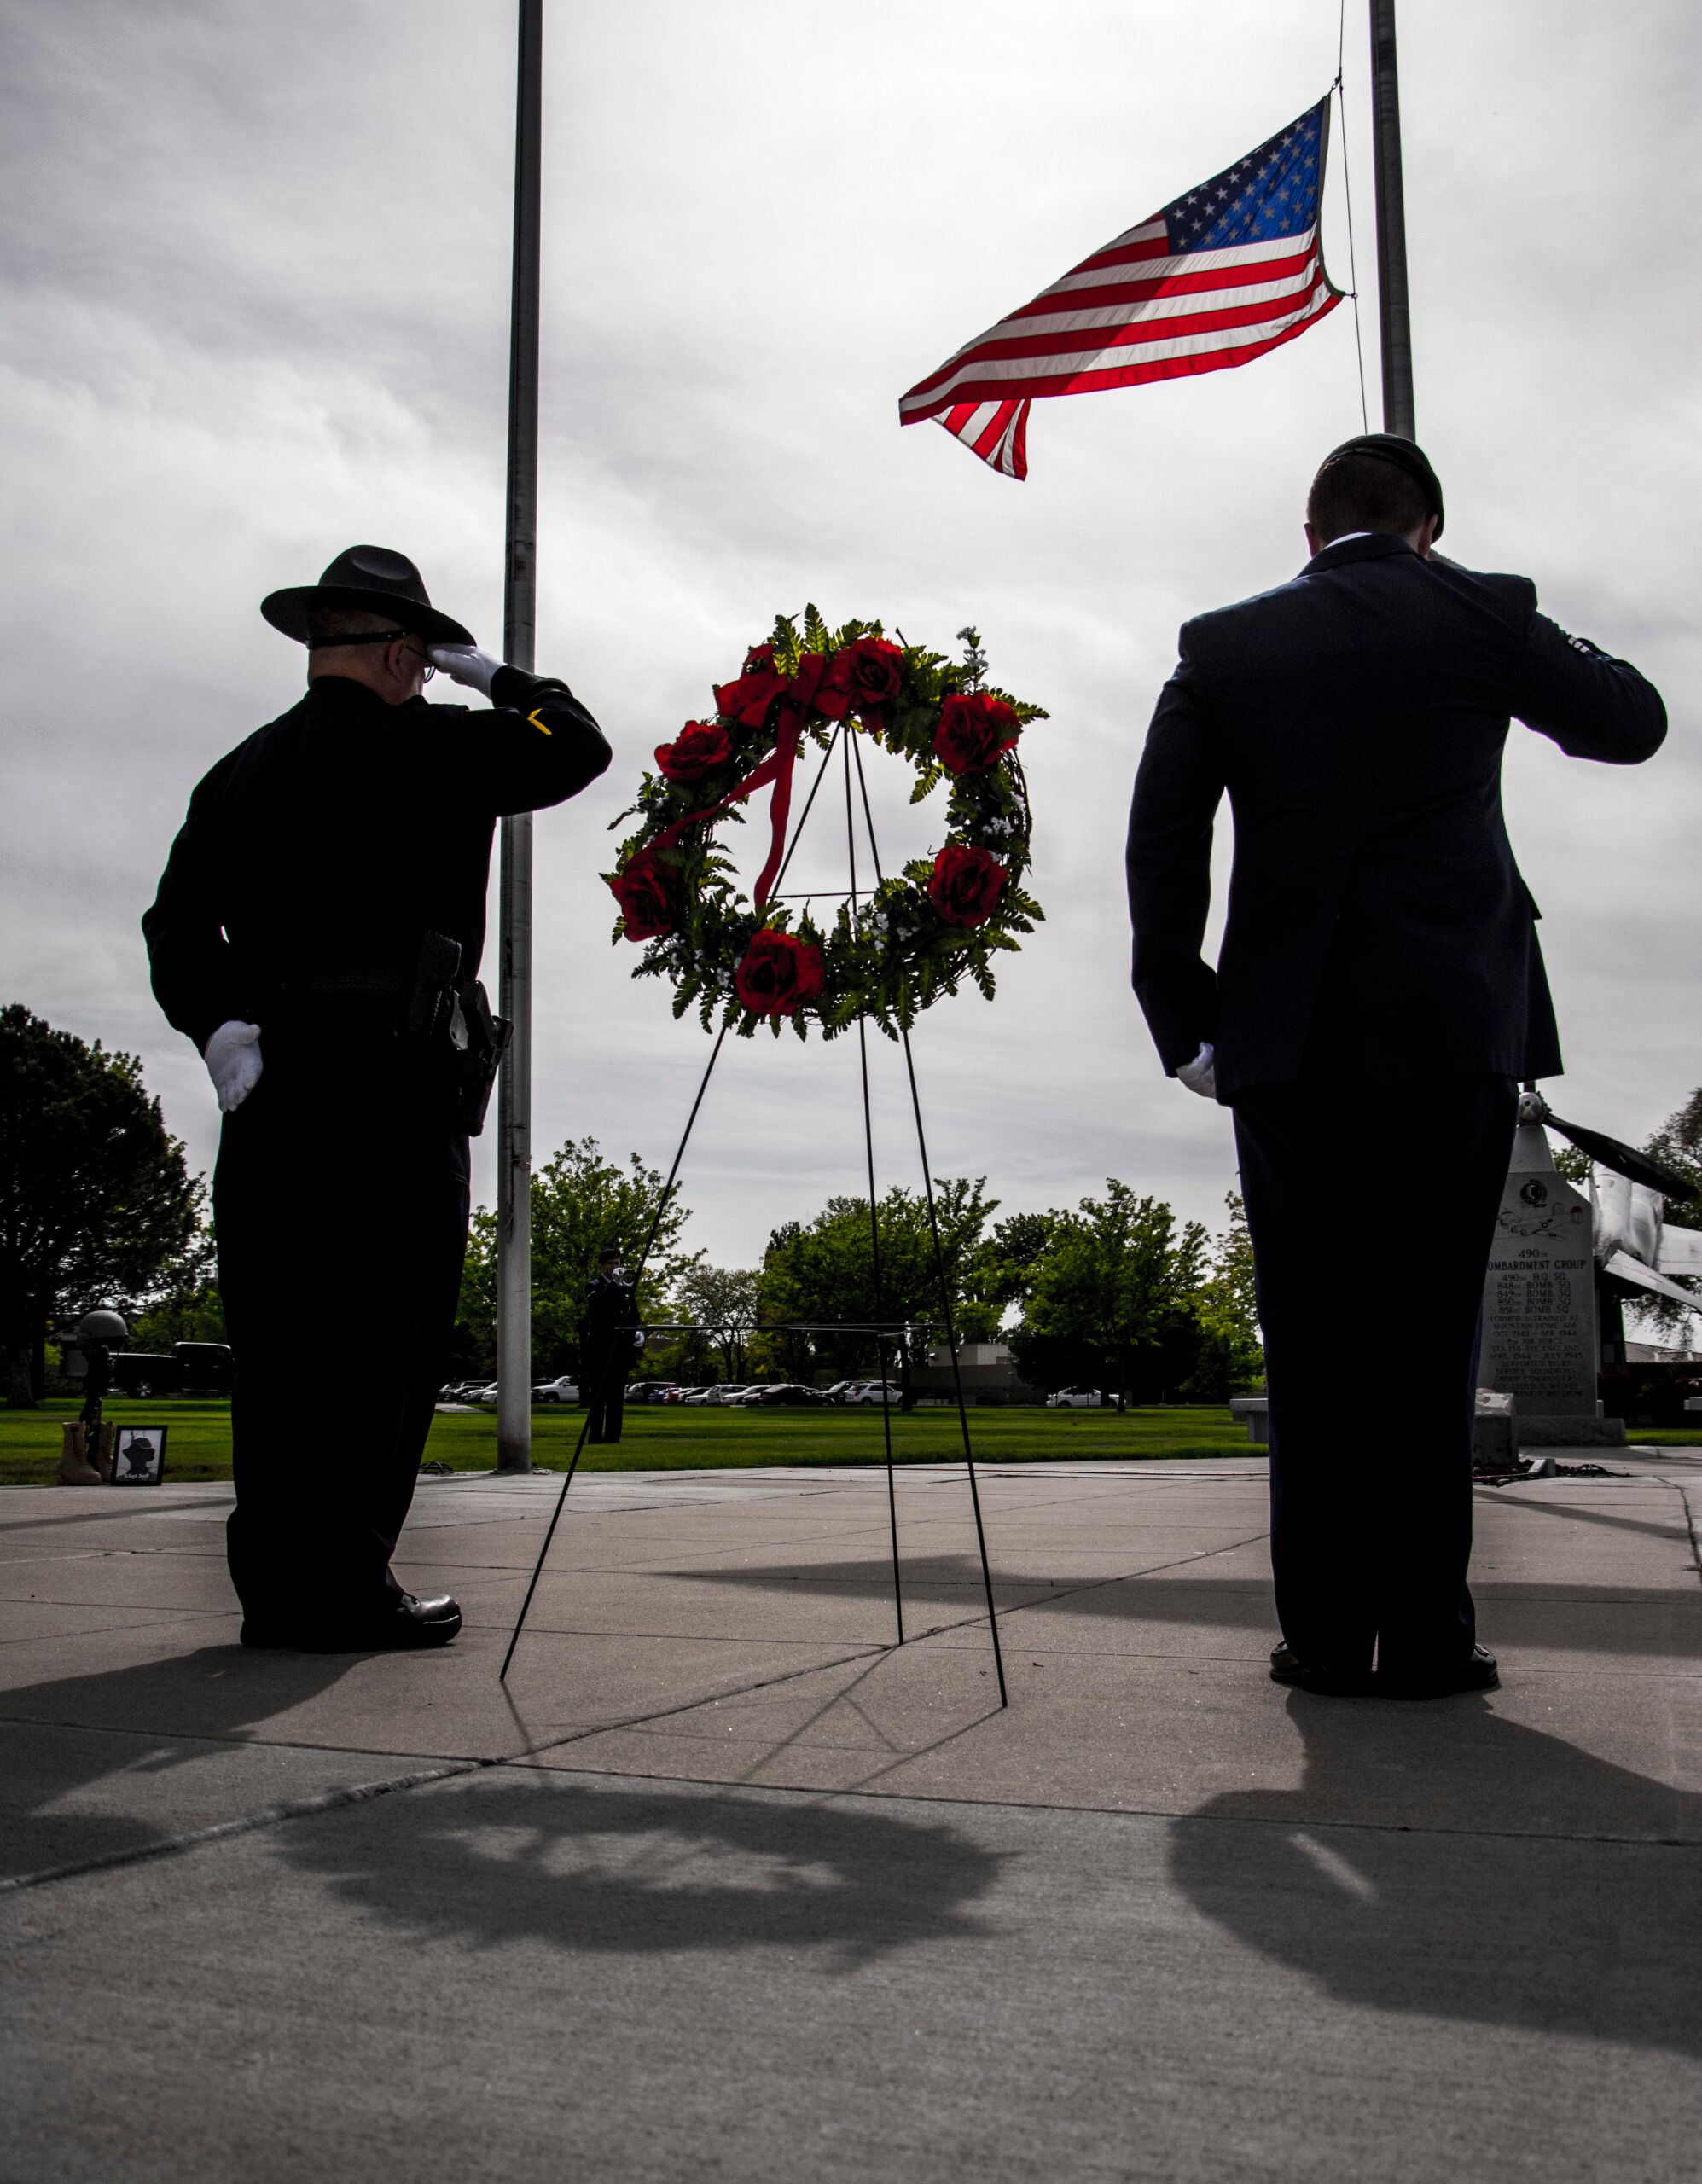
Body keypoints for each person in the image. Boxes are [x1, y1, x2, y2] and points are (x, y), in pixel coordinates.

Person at [1125, 437, 1666, 1699]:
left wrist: (1184, 1018)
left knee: (1310, 1340)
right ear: (1428, 526)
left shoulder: (1222, 643)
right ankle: (1423, 1637)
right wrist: (1490, 608)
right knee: (1428, 1342)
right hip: (1448, 1029)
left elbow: (1163, 839)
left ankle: (1321, 1638)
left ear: (1307, 534)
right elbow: (1627, 723)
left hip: (1286, 1039)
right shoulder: (1481, 610)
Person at [144, 544, 611, 1650]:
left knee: (281, 1341)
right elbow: (578, 745)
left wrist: (216, 1029)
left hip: (266, 1080)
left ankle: (276, 1590)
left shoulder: (240, 771)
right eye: (420, 654)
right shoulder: (439, 746)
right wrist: (489, 674)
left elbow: (174, 927)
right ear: (404, 652)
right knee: (378, 1339)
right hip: (392, 1080)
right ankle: (346, 1588)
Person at [580, 1246, 637, 1444]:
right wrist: (613, 1283)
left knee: (616, 1398)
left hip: (620, 1351)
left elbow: (632, 1313)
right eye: (611, 1264)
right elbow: (599, 1308)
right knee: (598, 1397)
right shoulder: (593, 1286)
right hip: (600, 1351)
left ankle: (613, 1437)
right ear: (603, 1265)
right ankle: (595, 1437)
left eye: (617, 1263)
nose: (615, 1267)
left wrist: (637, 1331)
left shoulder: (625, 1288)